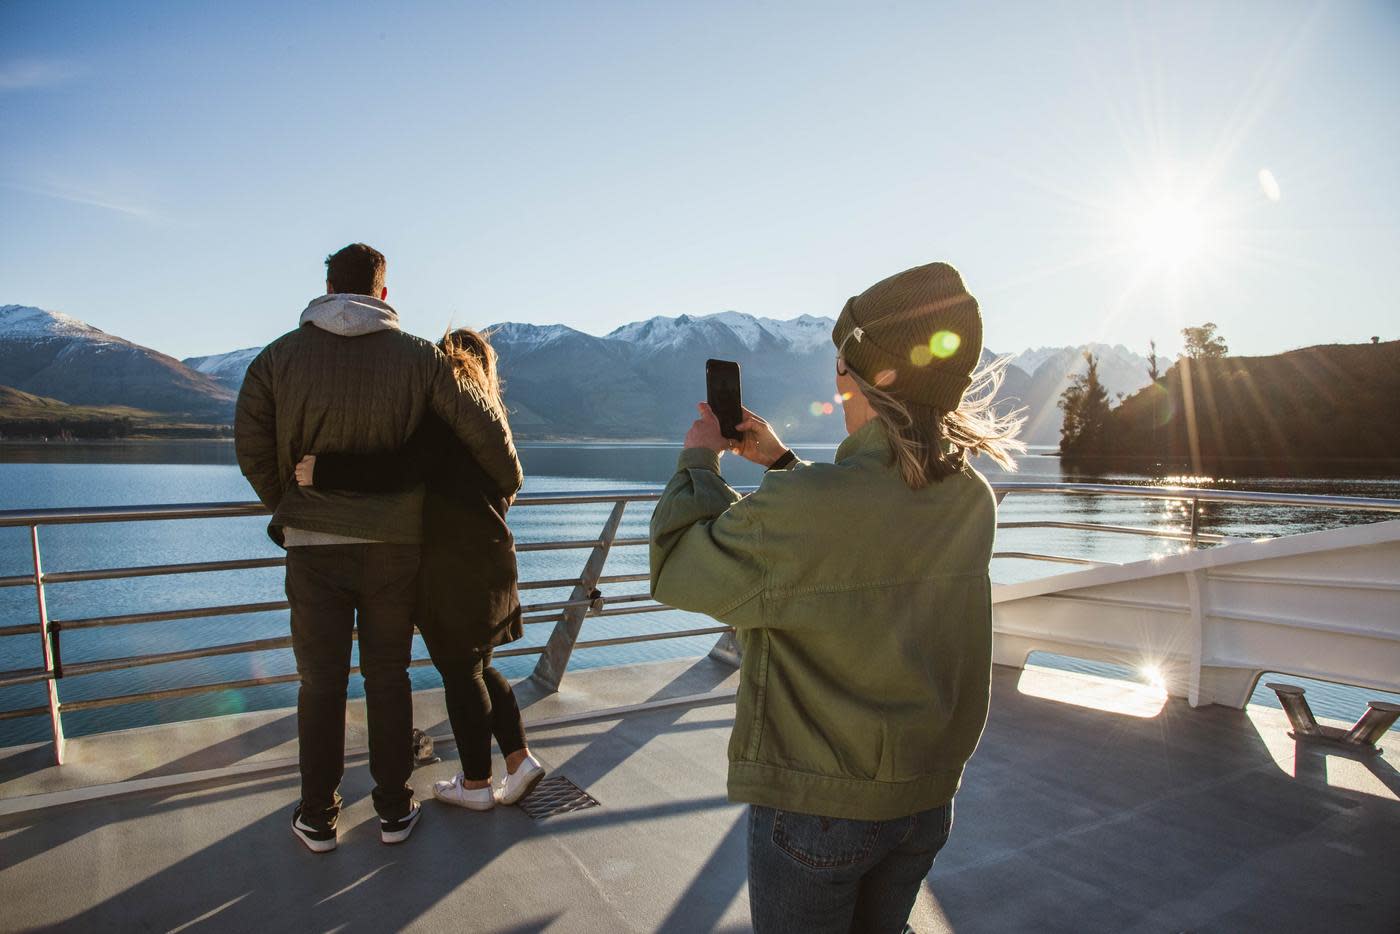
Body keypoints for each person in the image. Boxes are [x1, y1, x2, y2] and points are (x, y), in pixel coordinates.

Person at [649, 262, 1024, 933]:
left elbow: (679, 565)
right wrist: (786, 465)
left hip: (821, 809)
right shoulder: (971, 497)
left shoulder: (812, 508)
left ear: (862, 376)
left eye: (840, 366)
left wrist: (699, 460)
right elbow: (869, 538)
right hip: (924, 800)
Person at [234, 244, 523, 854]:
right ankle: (393, 808)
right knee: (387, 677)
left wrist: (288, 503)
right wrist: (490, 496)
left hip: (312, 548)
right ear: (382, 295)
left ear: (326, 288)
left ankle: (318, 816)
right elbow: (494, 448)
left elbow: (251, 446)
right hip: (396, 547)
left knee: (320, 684)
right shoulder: (422, 360)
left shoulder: (276, 359)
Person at [292, 328, 545, 811]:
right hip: (491, 554)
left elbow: (397, 471)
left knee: (460, 672)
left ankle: (475, 786)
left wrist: (322, 472)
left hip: (451, 562)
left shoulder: (445, 418)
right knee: (481, 666)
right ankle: (519, 762)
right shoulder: (491, 423)